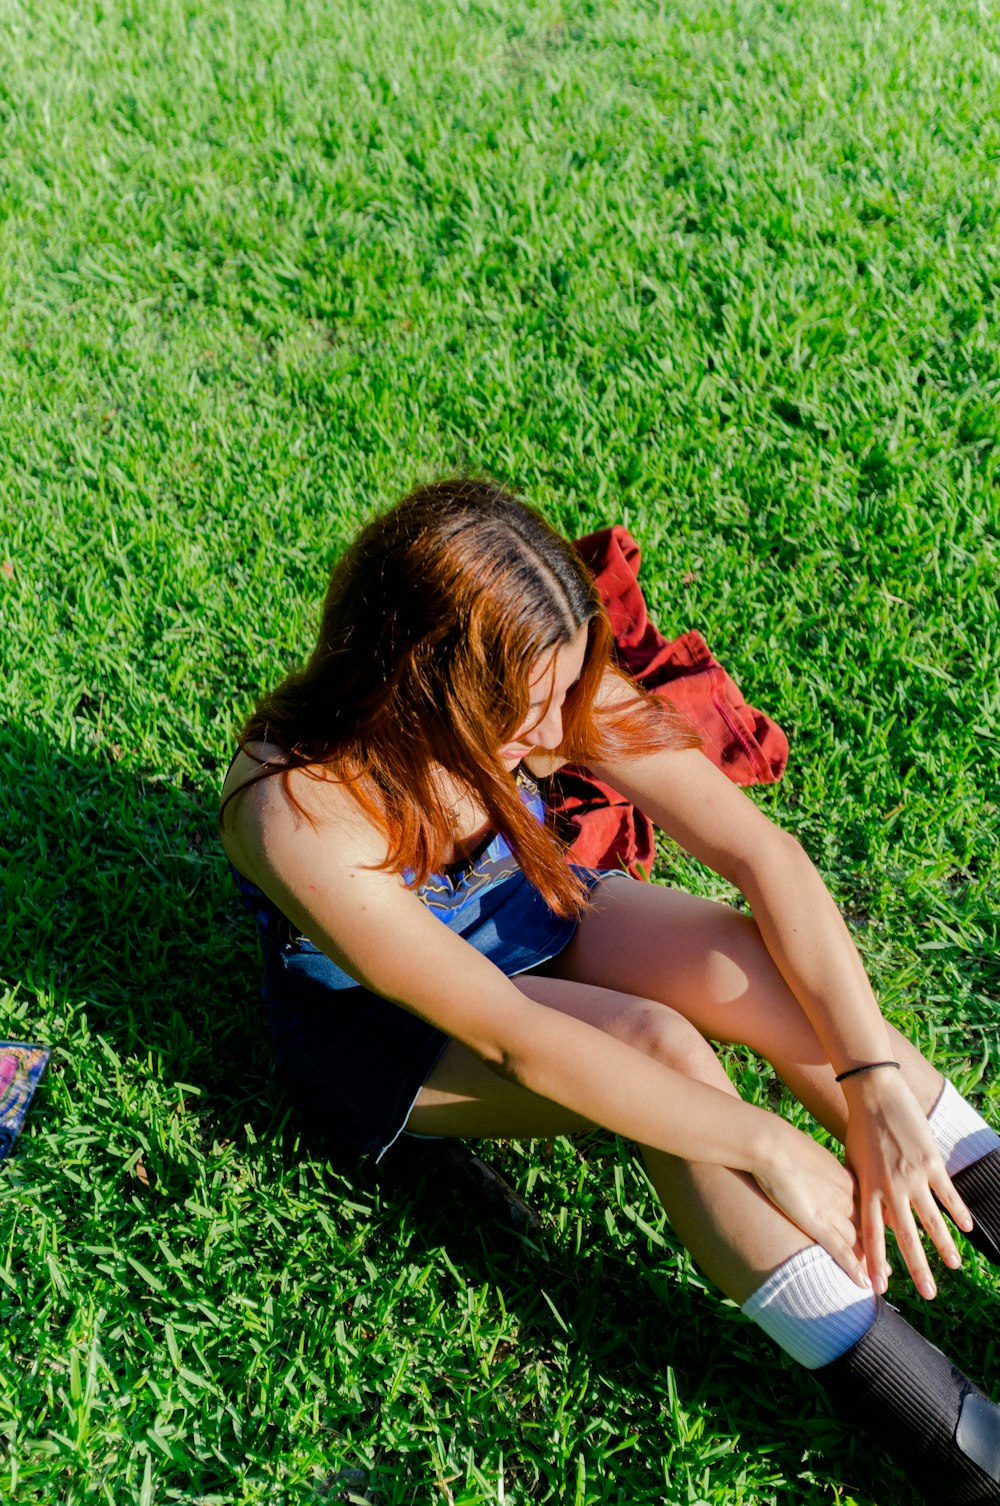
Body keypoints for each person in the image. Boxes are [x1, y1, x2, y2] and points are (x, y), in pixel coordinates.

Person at [219, 478, 1000, 1502]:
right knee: (656, 1048)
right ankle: (956, 1440)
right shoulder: (291, 803)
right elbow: (508, 1034)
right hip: (390, 1036)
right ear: (417, 679)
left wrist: (868, 1076)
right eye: (523, 714)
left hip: (522, 906)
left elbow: (767, 859)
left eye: (566, 696)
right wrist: (766, 1144)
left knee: (746, 964)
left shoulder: (546, 683)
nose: (553, 741)